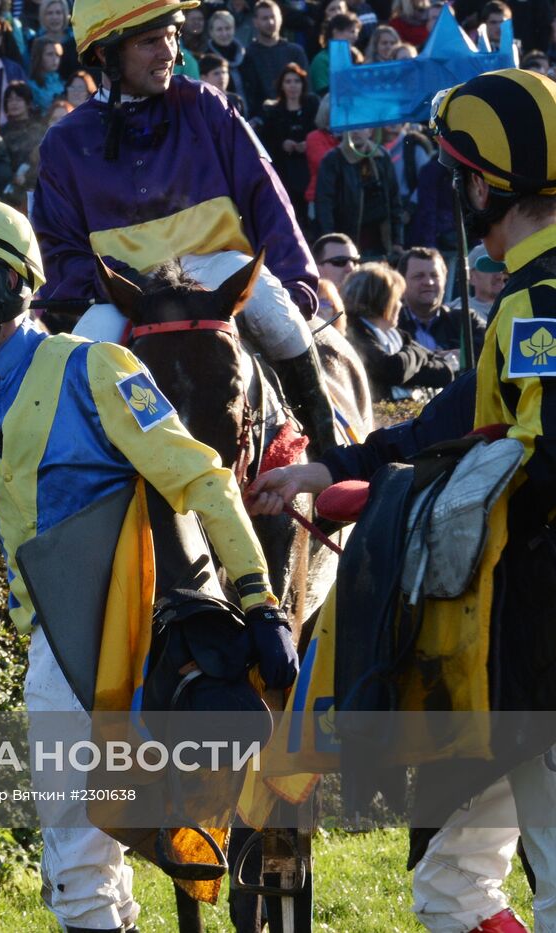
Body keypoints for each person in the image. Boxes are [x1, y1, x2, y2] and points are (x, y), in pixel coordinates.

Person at [0, 198, 294, 933]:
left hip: (151, 648)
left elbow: (203, 478)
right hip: (57, 661)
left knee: (190, 852)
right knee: (77, 877)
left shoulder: (93, 365)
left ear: (8, 286)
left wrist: (262, 601)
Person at [245, 69, 556, 933]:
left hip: (533, 646)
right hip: (502, 650)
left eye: (458, 176)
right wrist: (344, 466)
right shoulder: (529, 301)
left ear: (486, 185)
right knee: (451, 888)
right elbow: (465, 416)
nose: (457, 193)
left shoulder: (542, 297)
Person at [34, 0, 340, 453]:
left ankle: (331, 456)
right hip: (125, 291)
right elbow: (59, 250)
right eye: (149, 41)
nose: (168, 53)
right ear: (104, 55)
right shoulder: (62, 143)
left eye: (172, 36)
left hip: (216, 268)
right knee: (77, 367)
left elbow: (265, 196)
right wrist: (121, 283)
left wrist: (295, 277)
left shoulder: (207, 104)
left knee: (280, 319)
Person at [342, 259, 454, 400]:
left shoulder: (396, 335)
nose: (400, 305)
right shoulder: (353, 333)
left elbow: (445, 371)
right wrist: (416, 354)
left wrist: (408, 367)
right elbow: (392, 369)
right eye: (396, 299)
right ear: (381, 300)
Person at [314, 127, 401, 259]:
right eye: (351, 127)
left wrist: (397, 240)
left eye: (361, 127)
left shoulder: (381, 156)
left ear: (371, 131)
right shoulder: (333, 160)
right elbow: (324, 205)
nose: (355, 131)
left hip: (381, 244)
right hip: (348, 242)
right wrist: (330, 243)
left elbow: (394, 200)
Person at [396, 246, 488, 356]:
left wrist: (461, 356)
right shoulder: (391, 326)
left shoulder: (466, 321)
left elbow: (493, 347)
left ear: (445, 281)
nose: (428, 282)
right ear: (401, 283)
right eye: (419, 276)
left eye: (435, 276)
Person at [258, 62, 318, 224]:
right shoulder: (273, 111)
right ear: (281, 85)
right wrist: (282, 144)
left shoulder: (313, 106)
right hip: (285, 169)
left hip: (309, 168)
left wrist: (309, 143)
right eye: (288, 81)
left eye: (297, 81)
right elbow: (266, 141)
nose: (293, 86)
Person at [307, 11, 359, 95]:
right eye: (351, 32)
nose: (355, 37)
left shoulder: (356, 56)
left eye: (356, 33)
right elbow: (323, 91)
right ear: (336, 32)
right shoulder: (321, 60)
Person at [466, 244, 509, 322]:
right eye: (490, 268)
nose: (499, 276)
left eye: (502, 268)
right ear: (471, 277)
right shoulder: (460, 314)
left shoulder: (516, 308)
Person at [26, 35, 65, 110]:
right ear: (39, 56)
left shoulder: (62, 81)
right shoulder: (31, 86)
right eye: (50, 54)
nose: (55, 59)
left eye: (58, 55)